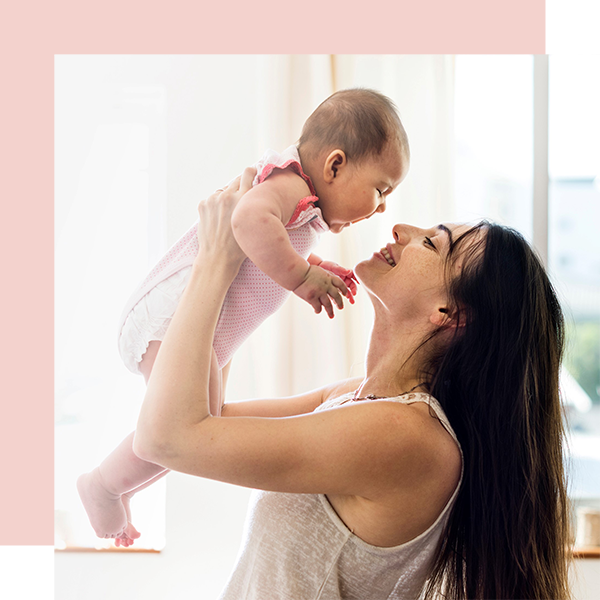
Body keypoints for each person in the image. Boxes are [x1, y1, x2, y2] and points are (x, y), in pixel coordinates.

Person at [133, 170, 573, 600]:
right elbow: (205, 414)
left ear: (448, 313)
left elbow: (168, 438)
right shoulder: (354, 400)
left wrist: (215, 260)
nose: (401, 228)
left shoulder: (407, 435)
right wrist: (245, 274)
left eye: (432, 243)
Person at [77, 88, 410, 544]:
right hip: (174, 312)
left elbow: (268, 250)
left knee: (198, 427)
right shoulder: (291, 184)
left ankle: (115, 487)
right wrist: (300, 277)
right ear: (334, 165)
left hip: (202, 326)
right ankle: (102, 486)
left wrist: (310, 269)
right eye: (381, 189)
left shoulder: (303, 202)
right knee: (185, 429)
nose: (383, 206)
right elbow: (248, 220)